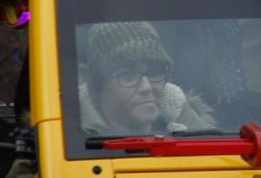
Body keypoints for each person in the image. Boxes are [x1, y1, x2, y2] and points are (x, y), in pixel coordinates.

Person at [80, 21, 215, 135]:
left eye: (155, 73)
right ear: (98, 86)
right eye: (128, 75)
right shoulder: (69, 146)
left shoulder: (199, 137)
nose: (146, 87)